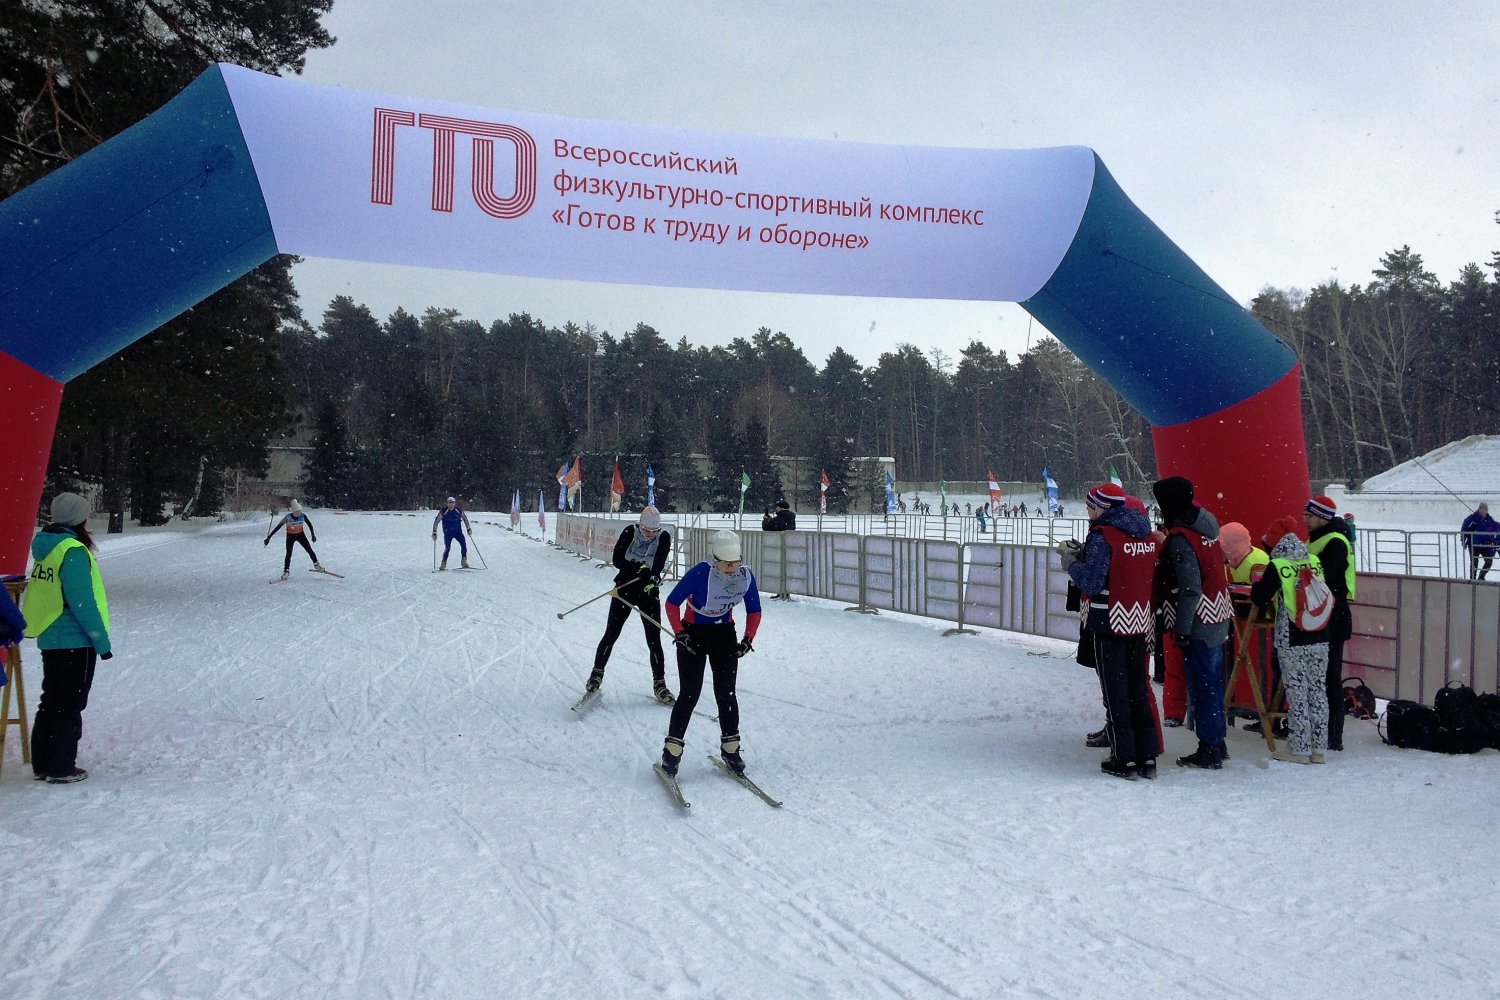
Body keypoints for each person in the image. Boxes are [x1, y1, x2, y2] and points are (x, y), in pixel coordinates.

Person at [1060, 483, 1161, 779]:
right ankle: (1147, 757)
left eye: (1090, 507)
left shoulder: (1103, 536)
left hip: (1109, 619)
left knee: (1116, 692)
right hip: (1139, 619)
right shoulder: (1146, 534)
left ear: (1102, 508)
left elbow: (1092, 583)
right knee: (1138, 690)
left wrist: (1071, 565)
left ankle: (1124, 759)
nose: (1089, 513)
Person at [24, 493, 112, 784]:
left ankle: (43, 763)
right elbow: (82, 601)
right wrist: (101, 642)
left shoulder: (47, 546)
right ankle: (61, 766)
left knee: (51, 700)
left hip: (52, 635)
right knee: (70, 703)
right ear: (80, 519)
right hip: (75, 639)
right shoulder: (73, 550)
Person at [659, 530, 762, 776]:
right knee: (690, 693)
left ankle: (731, 748)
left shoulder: (745, 577)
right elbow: (672, 603)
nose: (730, 569)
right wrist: (680, 632)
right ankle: (672, 752)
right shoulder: (700, 573)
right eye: (725, 564)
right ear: (714, 559)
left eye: (734, 563)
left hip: (724, 633)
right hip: (694, 635)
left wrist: (748, 639)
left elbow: (755, 609)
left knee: (726, 692)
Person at [1152, 476, 1233, 770]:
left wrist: (1183, 628)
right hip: (1219, 611)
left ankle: (1209, 746)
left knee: (1203, 685)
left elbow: (1190, 589)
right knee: (1213, 681)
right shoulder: (1206, 525)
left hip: (1199, 618)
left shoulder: (1181, 539)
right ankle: (1216, 739)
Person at [1251, 517, 1331, 764]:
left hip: (1293, 637)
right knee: (1318, 691)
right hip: (1319, 634)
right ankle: (1319, 749)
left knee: (1297, 693)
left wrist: (1257, 584)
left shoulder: (1279, 565)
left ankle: (1299, 748)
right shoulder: (1314, 561)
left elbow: (1260, 596)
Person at [588, 507, 675, 705]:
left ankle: (659, 683)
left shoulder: (664, 537)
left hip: (646, 590)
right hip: (625, 587)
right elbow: (617, 558)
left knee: (654, 638)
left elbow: (659, 562)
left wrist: (652, 580)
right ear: (640, 525)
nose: (650, 535)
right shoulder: (630, 531)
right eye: (646, 531)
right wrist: (636, 567)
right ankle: (596, 673)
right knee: (612, 632)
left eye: (653, 531)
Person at [1304, 495, 1356, 752]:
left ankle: (1334, 735)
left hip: (1333, 616)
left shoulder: (1335, 541)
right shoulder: (1317, 539)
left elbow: (1325, 577)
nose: (1305, 520)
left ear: (1322, 517)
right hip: (1321, 615)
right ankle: (1322, 730)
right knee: (1322, 677)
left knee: (1330, 677)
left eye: (1309, 516)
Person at [264, 499, 320, 579]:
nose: (299, 513)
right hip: (290, 536)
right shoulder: (288, 517)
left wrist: (313, 535)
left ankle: (316, 565)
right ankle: (286, 571)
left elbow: (309, 524)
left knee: (309, 549)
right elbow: (278, 527)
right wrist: (269, 537)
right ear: (293, 511)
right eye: (297, 511)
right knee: (288, 554)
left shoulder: (303, 516)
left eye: (300, 511)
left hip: (301, 535)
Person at [761, 499, 796, 600]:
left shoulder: (780, 518)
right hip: (789, 545)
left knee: (780, 569)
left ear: (780, 508)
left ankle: (782, 591)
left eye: (777, 507)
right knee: (786, 570)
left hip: (779, 546)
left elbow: (768, 527)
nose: (775, 509)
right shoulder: (790, 517)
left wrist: (766, 520)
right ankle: (785, 591)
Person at [1460, 503, 1499, 580]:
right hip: (1473, 544)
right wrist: (1463, 540)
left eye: (1484, 510)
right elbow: (1464, 529)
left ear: (1487, 511)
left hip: (1484, 545)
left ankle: (1481, 577)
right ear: (1478, 509)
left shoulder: (1490, 520)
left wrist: (1495, 541)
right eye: (1481, 509)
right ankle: (1472, 579)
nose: (1482, 511)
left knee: (1489, 561)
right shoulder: (1472, 518)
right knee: (1474, 563)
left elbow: (1495, 530)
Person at [431, 496, 472, 570]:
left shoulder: (458, 510)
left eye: (453, 503)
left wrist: (468, 528)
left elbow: (465, 519)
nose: (451, 505)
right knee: (448, 548)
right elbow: (436, 521)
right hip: (448, 533)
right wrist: (434, 532)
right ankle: (443, 563)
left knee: (463, 545)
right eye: (449, 503)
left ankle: (464, 561)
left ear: (455, 503)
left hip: (458, 532)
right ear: (447, 504)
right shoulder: (444, 511)